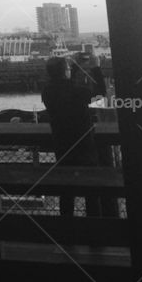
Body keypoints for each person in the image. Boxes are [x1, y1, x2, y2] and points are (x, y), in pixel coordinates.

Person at [41, 56, 103, 217]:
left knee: (67, 191)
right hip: (84, 145)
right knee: (91, 193)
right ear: (66, 71)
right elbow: (100, 94)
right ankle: (95, 237)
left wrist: (73, 66)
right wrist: (96, 68)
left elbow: (62, 84)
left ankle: (67, 233)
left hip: (62, 145)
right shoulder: (79, 91)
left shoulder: (47, 92)